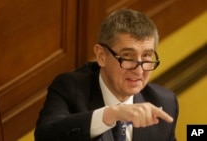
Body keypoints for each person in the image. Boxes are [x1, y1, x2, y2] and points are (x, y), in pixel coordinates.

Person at [34, 8, 178, 141]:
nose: (139, 71)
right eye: (127, 56)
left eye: (147, 56)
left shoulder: (164, 101)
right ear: (101, 56)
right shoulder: (70, 88)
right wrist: (111, 114)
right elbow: (45, 135)